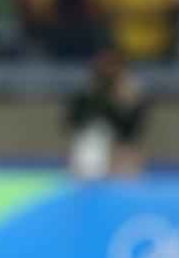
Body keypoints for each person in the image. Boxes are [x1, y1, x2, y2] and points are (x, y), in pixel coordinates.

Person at [64, 49, 150, 179]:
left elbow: (132, 131)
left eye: (113, 66)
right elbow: (71, 122)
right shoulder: (86, 95)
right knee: (90, 148)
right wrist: (93, 97)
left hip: (122, 149)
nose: (108, 71)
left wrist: (125, 103)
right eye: (104, 66)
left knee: (127, 160)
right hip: (93, 147)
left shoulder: (130, 93)